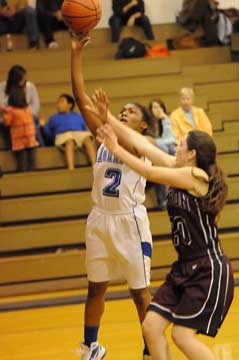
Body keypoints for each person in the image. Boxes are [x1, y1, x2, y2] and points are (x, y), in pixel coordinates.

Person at [89, 91, 234, 360]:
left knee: (181, 335)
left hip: (207, 269)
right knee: (152, 326)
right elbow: (141, 145)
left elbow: (149, 171)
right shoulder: (180, 168)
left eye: (180, 145)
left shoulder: (196, 176)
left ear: (191, 154)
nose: (174, 148)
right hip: (185, 267)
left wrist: (116, 148)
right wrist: (105, 115)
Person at [71, 34, 153, 360]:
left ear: (143, 124)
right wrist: (76, 53)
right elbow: (80, 97)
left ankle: (151, 349)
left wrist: (105, 117)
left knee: (140, 293)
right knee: (96, 288)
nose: (123, 113)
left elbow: (123, 137)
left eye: (130, 112)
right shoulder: (106, 138)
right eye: (121, 110)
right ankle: (91, 346)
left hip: (129, 222)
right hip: (99, 219)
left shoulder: (137, 145)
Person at [40, 94, 96, 170]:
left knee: (87, 139)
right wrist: (43, 126)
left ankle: (94, 164)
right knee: (70, 141)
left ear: (69, 105)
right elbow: (49, 134)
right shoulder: (54, 118)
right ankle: (71, 168)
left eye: (61, 102)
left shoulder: (78, 116)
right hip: (63, 135)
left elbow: (84, 129)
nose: (58, 105)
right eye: (58, 102)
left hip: (79, 134)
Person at [0, 64, 44, 147]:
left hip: (27, 116)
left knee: (32, 121)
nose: (24, 80)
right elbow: (2, 105)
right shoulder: (2, 87)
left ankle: (39, 146)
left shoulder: (30, 86)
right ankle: (12, 147)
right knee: (6, 123)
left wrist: (24, 114)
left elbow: (35, 105)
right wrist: (15, 114)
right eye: (22, 78)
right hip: (9, 117)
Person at [0, 87, 39, 171]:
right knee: (32, 158)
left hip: (19, 138)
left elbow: (7, 123)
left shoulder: (11, 111)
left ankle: (23, 172)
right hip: (30, 137)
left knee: (22, 158)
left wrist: (3, 114)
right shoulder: (28, 109)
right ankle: (33, 172)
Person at [148, 99, 176, 209]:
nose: (158, 110)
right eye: (155, 107)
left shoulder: (165, 121)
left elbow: (171, 138)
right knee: (164, 148)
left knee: (173, 149)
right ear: (150, 110)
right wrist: (160, 143)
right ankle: (162, 199)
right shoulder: (146, 124)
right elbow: (149, 141)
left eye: (160, 107)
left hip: (162, 156)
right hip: (149, 156)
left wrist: (165, 120)